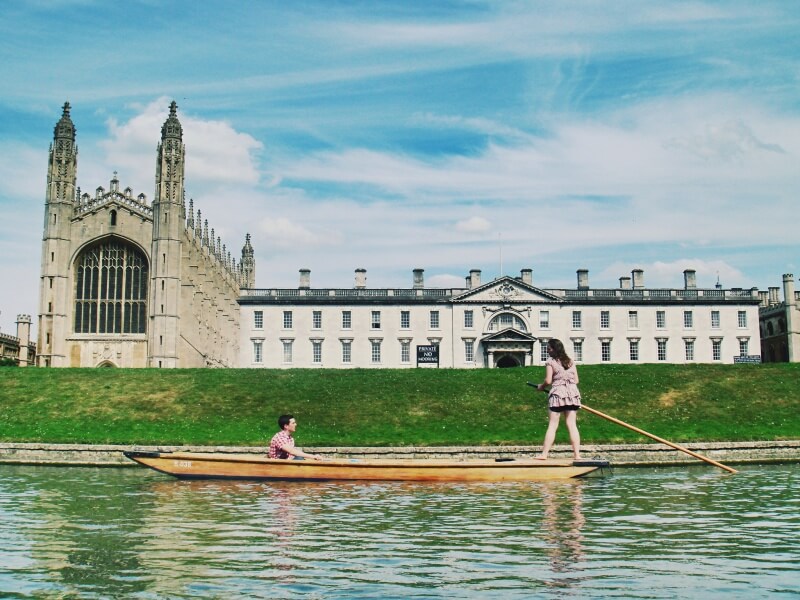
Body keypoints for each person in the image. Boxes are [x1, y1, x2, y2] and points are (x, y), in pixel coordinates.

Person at [533, 339, 582, 460]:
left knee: (553, 424)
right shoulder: (570, 361)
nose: (547, 351)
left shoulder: (550, 362)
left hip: (558, 395)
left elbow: (548, 380)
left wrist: (541, 387)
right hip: (572, 394)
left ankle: (544, 454)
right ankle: (577, 455)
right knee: (572, 424)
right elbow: (576, 381)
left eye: (549, 348)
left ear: (555, 349)